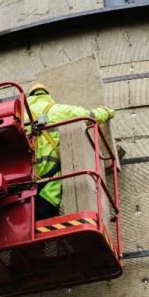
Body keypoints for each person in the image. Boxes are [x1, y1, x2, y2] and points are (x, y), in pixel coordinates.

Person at [25, 83, 115, 221]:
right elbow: (89, 116)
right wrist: (108, 111)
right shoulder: (57, 110)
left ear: (29, 97)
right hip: (48, 189)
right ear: (46, 95)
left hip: (20, 191)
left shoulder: (18, 116)